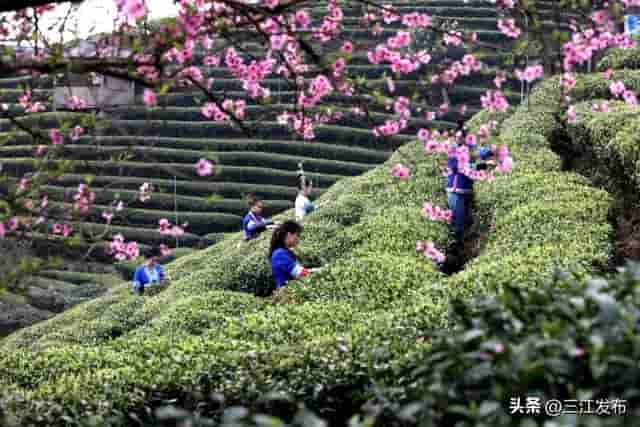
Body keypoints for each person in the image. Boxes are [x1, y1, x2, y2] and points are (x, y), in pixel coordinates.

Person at [446, 137, 494, 242]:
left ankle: (464, 244)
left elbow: (479, 152)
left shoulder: (468, 147)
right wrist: (484, 165)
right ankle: (456, 247)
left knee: (467, 220)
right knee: (459, 221)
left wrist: (491, 152)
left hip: (467, 189)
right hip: (456, 191)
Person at [269, 220, 319, 289]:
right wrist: (321, 271)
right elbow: (301, 273)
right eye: (297, 235)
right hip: (289, 293)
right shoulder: (279, 254)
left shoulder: (285, 251)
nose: (298, 239)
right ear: (289, 235)